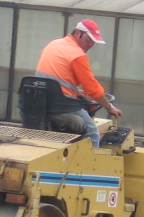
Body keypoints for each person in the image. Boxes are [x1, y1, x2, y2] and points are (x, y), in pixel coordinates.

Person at [35, 19, 123, 147]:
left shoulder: (54, 44)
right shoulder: (77, 55)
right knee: (92, 132)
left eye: (94, 41)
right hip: (61, 106)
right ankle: (91, 165)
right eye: (89, 39)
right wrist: (109, 107)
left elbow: (56, 76)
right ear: (77, 33)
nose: (91, 44)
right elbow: (92, 88)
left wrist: (74, 91)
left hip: (39, 101)